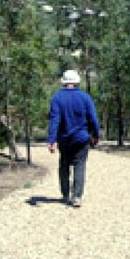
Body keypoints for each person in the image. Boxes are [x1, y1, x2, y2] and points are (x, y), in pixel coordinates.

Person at [48, 69, 100, 207]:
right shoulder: (85, 97)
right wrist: (96, 135)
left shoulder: (57, 98)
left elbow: (54, 120)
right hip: (81, 138)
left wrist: (51, 140)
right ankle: (76, 197)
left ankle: (65, 194)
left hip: (64, 140)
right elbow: (93, 119)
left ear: (64, 82)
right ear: (76, 81)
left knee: (64, 165)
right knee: (79, 165)